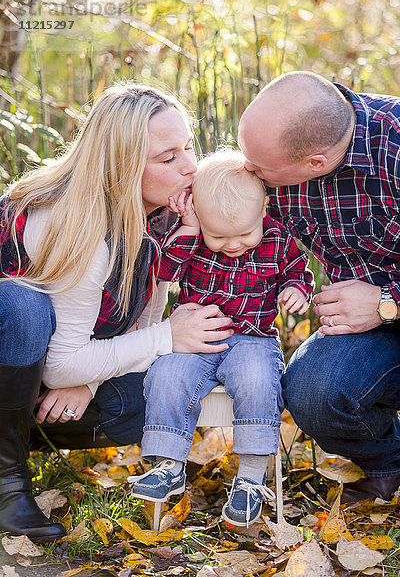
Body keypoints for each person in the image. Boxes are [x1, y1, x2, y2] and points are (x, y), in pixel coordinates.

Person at [0, 83, 235, 542]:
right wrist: (168, 337)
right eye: (168, 158)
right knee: (22, 307)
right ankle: (7, 482)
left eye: (188, 147)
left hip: (44, 375)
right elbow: (60, 359)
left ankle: (21, 434)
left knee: (160, 395)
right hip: (18, 351)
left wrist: (88, 380)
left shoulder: (165, 213)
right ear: (121, 168)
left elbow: (141, 317)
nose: (190, 167)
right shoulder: (71, 220)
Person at [238, 70, 400, 503]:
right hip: (372, 330)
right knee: (312, 391)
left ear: (317, 162)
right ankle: (388, 464)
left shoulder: (394, 144)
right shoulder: (277, 164)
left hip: (386, 309)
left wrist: (389, 303)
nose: (247, 170)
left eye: (258, 166)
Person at [129, 151, 314, 526]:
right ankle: (168, 466)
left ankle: (250, 477)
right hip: (194, 338)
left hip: (252, 338)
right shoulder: (193, 234)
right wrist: (191, 229)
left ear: (264, 209)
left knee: (258, 379)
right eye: (219, 237)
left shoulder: (277, 238)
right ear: (199, 215)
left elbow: (298, 269)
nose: (233, 245)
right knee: (167, 374)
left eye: (245, 235)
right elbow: (163, 269)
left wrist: (296, 288)